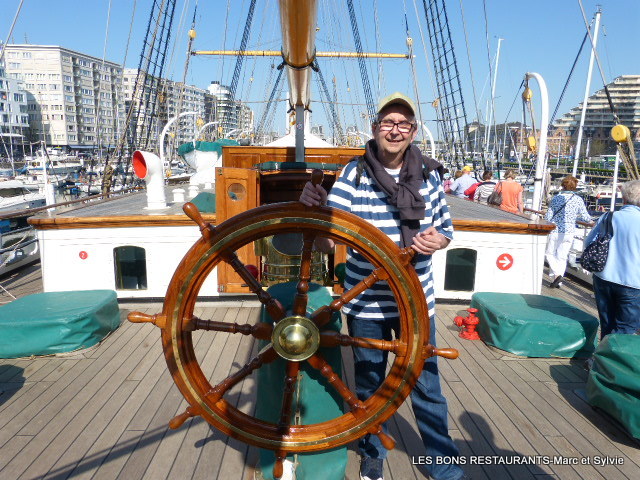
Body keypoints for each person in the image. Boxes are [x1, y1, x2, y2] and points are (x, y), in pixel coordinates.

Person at [300, 92, 468, 480]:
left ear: (413, 131)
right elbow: (328, 241)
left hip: (417, 302)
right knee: (370, 385)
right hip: (367, 304)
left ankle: (443, 462)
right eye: (388, 123)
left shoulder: (430, 175)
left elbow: (445, 229)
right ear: (376, 129)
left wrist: (437, 240)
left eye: (403, 124)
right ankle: (372, 452)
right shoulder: (353, 174)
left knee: (426, 387)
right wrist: (315, 214)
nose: (395, 130)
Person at [586, 180, 640, 338]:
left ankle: (602, 352)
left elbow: (589, 242)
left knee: (607, 324)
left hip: (604, 277)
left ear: (624, 198)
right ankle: (608, 353)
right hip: (633, 283)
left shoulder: (608, 217)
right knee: (626, 329)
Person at [544, 175, 593, 288]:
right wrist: (592, 222)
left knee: (549, 254)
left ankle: (557, 275)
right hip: (570, 231)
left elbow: (548, 216)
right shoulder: (578, 200)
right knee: (562, 256)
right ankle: (558, 281)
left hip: (556, 230)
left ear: (563, 185)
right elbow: (585, 216)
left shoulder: (556, 198)